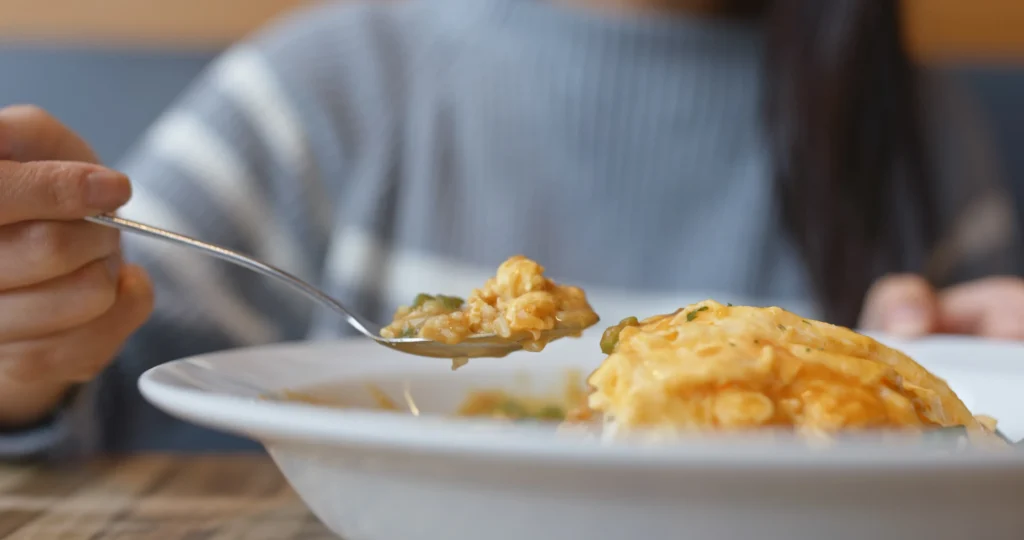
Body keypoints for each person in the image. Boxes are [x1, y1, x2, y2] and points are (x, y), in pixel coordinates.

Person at [0, 0, 1022, 459]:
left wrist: (956, 359)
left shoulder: (913, 138)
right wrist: (30, 350)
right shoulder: (324, 89)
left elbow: (970, 419)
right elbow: (106, 361)